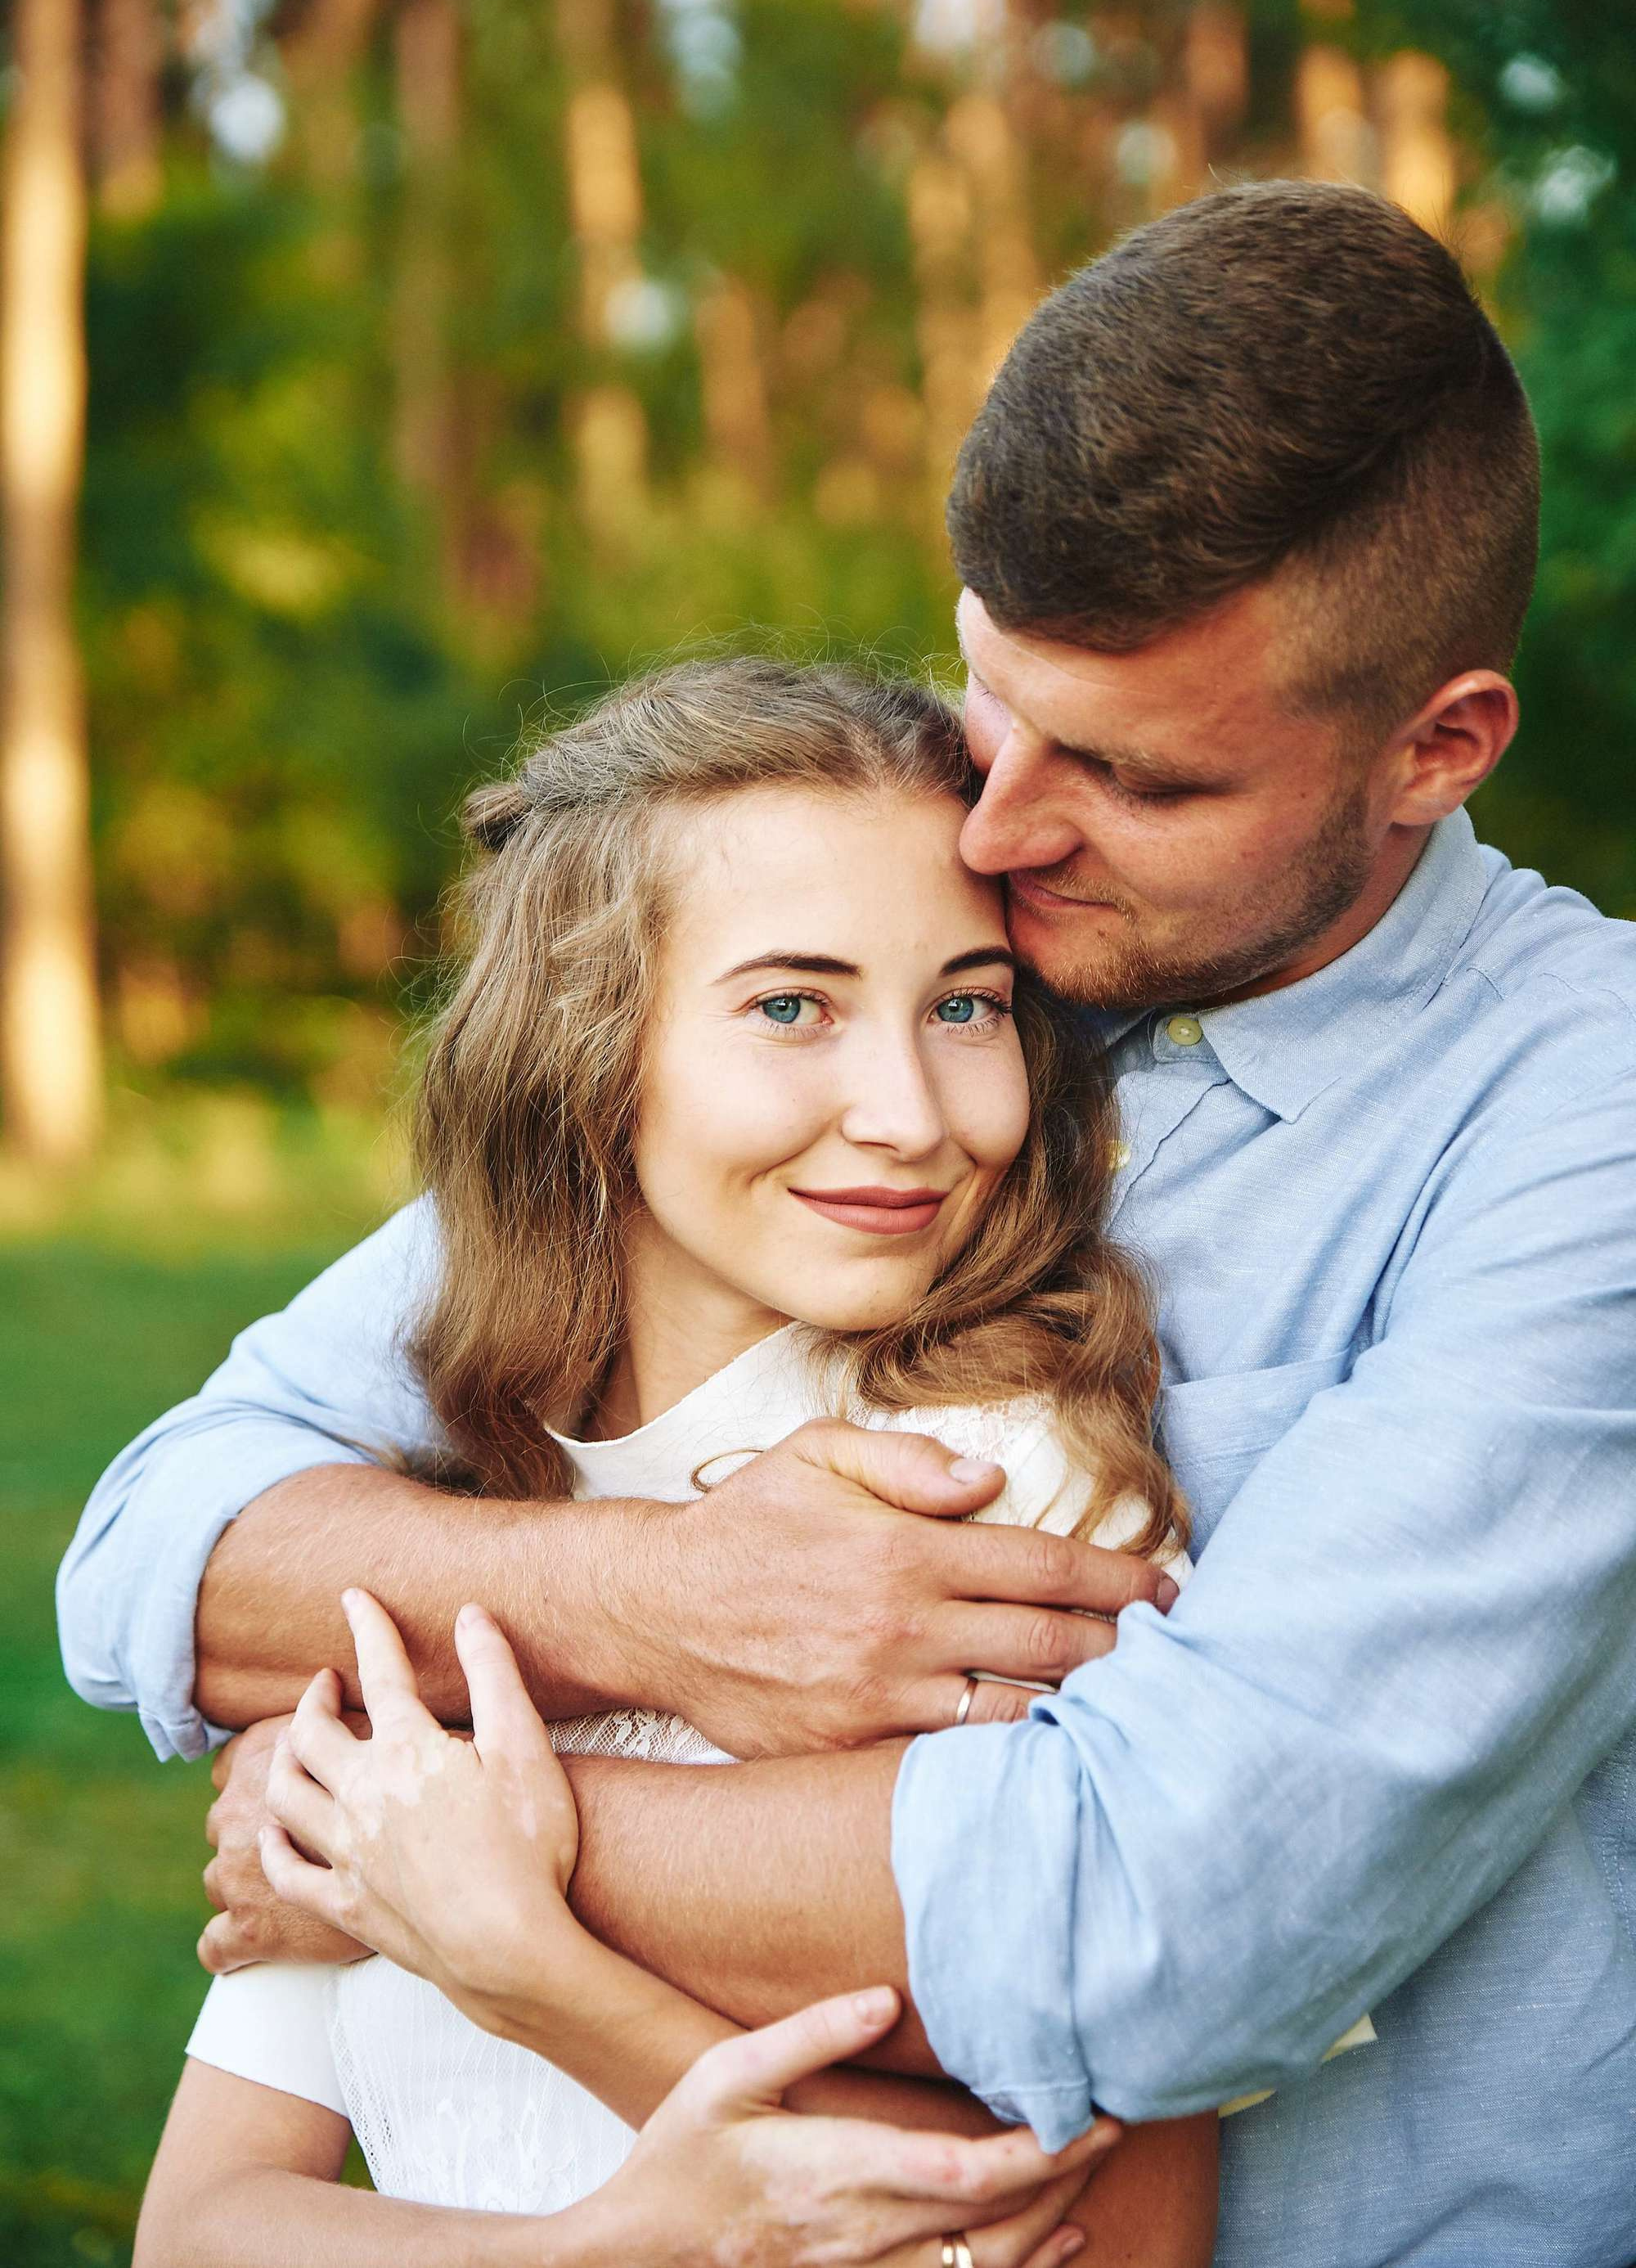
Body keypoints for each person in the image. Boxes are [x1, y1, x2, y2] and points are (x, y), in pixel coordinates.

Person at [61, 178, 1636, 2265]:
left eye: (1138, 778)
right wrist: (652, 1603)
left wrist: (415, 1842)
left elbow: (1161, 1922)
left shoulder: (1574, 1119)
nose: (995, 831)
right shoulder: (907, 951)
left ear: (1435, 747)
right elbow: (175, 1541)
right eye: (996, 703)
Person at [129, 660, 1218, 2266]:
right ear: (584, 1052)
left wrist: (526, 1965)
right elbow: (205, 2223)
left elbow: (1117, 2240)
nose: (910, 1113)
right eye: (793, 1005)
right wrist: (594, 2243)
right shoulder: (441, 1530)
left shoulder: (1017, 1501)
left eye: (965, 1004)